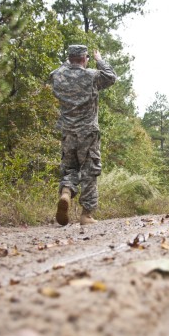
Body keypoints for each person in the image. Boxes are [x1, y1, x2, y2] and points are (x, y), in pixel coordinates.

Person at [49, 45, 117, 226]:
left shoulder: (58, 76)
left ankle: (66, 192)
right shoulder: (92, 76)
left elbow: (56, 71)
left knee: (70, 168)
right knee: (89, 171)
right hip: (88, 133)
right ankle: (86, 215)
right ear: (85, 58)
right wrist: (99, 60)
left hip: (68, 132)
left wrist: (70, 62)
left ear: (70, 58)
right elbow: (111, 77)